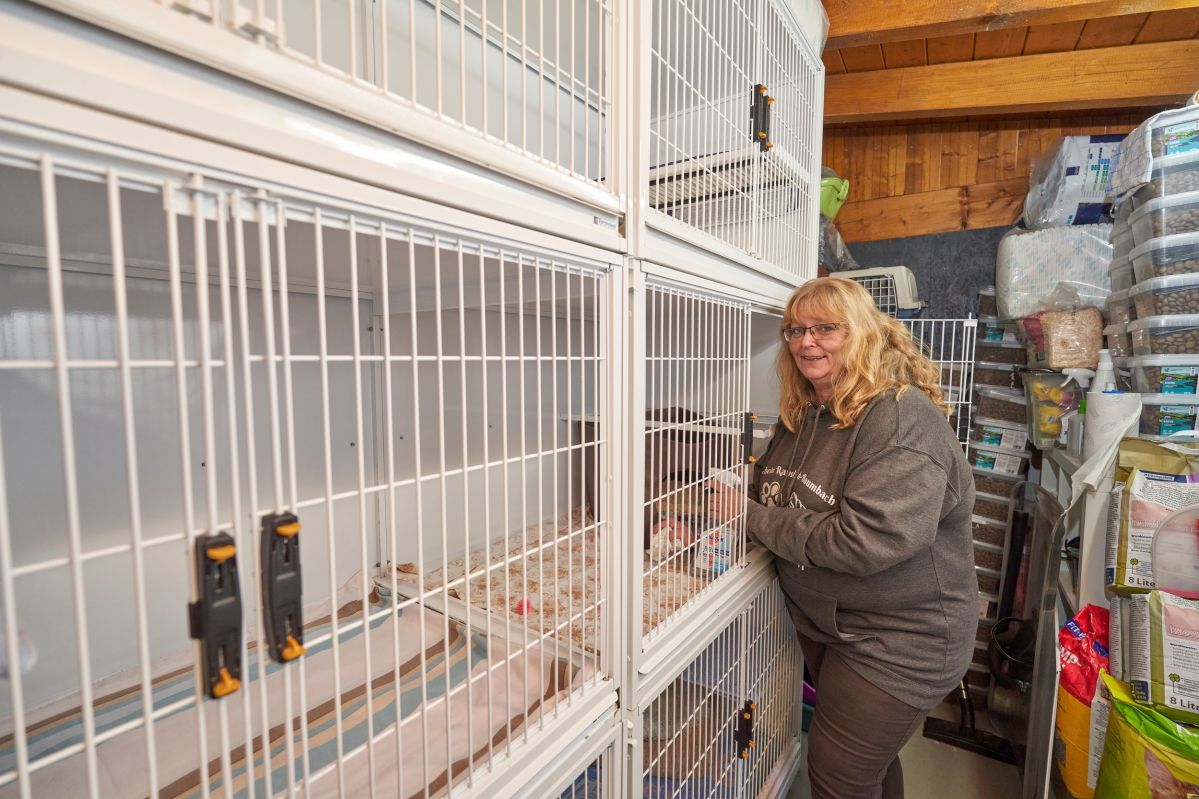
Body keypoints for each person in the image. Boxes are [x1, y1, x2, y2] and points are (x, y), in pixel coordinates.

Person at [707, 277, 976, 799]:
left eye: (825, 328)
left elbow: (866, 540)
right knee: (867, 768)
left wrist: (748, 517)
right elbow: (774, 497)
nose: (807, 342)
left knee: (837, 778)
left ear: (862, 334)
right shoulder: (803, 413)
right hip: (833, 626)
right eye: (796, 330)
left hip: (898, 640)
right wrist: (720, 522)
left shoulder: (900, 418)